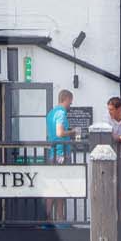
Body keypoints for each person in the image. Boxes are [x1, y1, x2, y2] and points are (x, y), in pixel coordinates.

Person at [45, 89, 76, 220]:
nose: (71, 104)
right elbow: (59, 133)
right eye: (71, 101)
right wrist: (72, 132)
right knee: (59, 187)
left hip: (53, 153)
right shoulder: (61, 113)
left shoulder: (51, 113)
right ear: (66, 98)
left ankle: (59, 218)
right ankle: (50, 219)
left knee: (56, 186)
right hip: (61, 154)